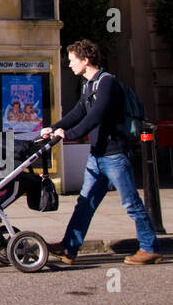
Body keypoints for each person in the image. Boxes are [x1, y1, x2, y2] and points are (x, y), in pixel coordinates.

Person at [41, 40, 160, 266]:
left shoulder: (107, 83)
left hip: (114, 155)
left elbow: (95, 116)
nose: (70, 65)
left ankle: (149, 247)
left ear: (85, 61)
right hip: (97, 156)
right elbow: (78, 112)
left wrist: (70, 134)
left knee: (131, 203)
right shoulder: (88, 85)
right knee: (85, 203)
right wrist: (55, 128)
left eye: (73, 60)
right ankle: (69, 248)